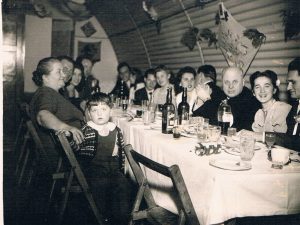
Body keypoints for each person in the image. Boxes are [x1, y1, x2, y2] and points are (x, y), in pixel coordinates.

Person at [28, 57, 84, 223]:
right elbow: (43, 116)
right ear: (45, 77)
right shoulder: (46, 93)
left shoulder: (50, 93)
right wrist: (67, 128)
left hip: (64, 154)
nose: (63, 75)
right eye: (59, 71)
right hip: (65, 159)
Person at [72, 93, 132, 225]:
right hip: (94, 167)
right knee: (100, 186)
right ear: (89, 113)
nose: (99, 113)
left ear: (110, 111)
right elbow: (77, 148)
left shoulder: (115, 129)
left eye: (103, 109)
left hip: (113, 168)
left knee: (123, 185)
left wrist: (120, 168)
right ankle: (101, 216)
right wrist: (71, 139)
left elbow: (120, 152)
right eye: (94, 110)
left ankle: (121, 218)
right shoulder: (88, 129)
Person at [221, 66, 260, 131]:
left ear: (243, 82)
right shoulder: (219, 97)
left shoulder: (252, 103)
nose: (230, 86)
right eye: (227, 82)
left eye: (235, 82)